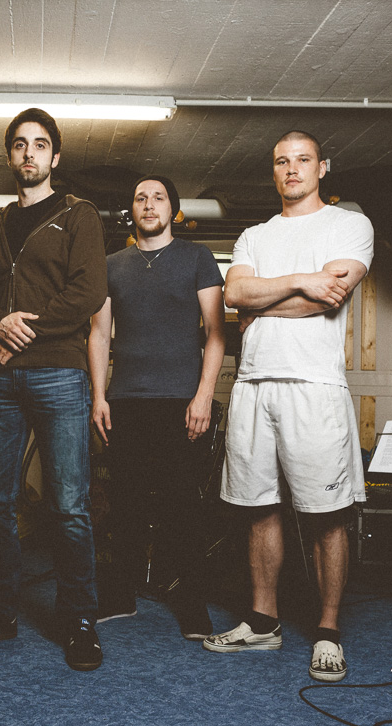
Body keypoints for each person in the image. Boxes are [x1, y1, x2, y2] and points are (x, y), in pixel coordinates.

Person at [204, 131, 372, 683]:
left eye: (303, 160)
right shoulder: (254, 235)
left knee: (326, 514)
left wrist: (264, 301)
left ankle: (328, 630)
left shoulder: (349, 225)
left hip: (313, 386)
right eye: (282, 161)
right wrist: (302, 281)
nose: (292, 169)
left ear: (323, 167)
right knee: (258, 507)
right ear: (273, 171)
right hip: (254, 384)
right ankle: (263, 621)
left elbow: (329, 298)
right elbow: (234, 296)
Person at [0, 108, 108, 671]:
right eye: (19, 144)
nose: (29, 153)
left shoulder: (78, 215)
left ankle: (80, 620)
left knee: (68, 505)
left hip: (59, 374)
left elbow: (87, 292)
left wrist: (19, 335)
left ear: (54, 157)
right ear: (10, 155)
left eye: (40, 145)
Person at [89, 175, 225, 640]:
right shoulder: (112, 264)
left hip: (182, 402)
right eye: (140, 198)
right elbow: (99, 334)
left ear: (174, 210)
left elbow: (216, 333)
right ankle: (119, 596)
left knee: (182, 508)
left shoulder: (197, 257)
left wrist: (203, 395)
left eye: (159, 198)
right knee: (124, 504)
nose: (149, 204)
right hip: (126, 401)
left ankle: (191, 602)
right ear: (132, 210)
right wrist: (99, 396)